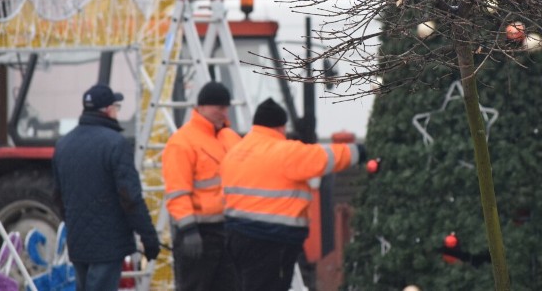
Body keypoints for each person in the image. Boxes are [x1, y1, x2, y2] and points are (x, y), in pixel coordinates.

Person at [221, 98, 366, 291]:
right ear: (281, 127)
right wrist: (360, 151)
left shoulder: (235, 152)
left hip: (236, 237)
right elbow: (326, 157)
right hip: (272, 241)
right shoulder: (285, 152)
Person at [52, 83, 160, 291]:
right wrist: (148, 237)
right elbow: (130, 198)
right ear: (109, 110)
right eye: (116, 107)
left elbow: (58, 196)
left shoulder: (63, 145)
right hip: (109, 243)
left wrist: (76, 224)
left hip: (78, 242)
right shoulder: (116, 144)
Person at [162, 81, 242, 291]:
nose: (223, 112)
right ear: (202, 107)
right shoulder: (182, 142)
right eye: (219, 107)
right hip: (199, 232)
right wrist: (188, 229)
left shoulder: (230, 138)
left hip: (229, 230)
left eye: (225, 107)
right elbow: (177, 190)